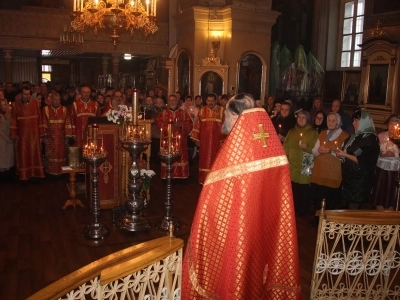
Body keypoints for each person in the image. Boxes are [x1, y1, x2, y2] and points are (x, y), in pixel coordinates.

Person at [181, 93, 301, 299]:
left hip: (238, 229)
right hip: (264, 226)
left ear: (236, 115)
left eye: (227, 113)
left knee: (239, 267)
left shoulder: (236, 152)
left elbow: (215, 201)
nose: (224, 118)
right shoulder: (272, 148)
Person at [309, 112, 349, 226]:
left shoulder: (344, 136)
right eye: (329, 120)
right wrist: (319, 150)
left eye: (333, 120)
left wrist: (330, 151)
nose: (330, 123)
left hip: (333, 173)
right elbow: (314, 151)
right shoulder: (322, 133)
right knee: (317, 198)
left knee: (330, 199)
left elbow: (343, 156)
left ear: (338, 122)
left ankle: (328, 223)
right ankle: (317, 220)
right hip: (319, 171)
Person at [335, 108, 380, 209]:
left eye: (356, 120)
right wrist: (341, 154)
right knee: (346, 207)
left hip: (359, 180)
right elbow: (349, 151)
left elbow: (364, 161)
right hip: (350, 178)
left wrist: (345, 155)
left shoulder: (370, 139)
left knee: (353, 209)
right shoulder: (356, 135)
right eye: (353, 120)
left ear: (364, 121)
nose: (353, 123)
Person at [283, 110, 318, 216]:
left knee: (303, 190)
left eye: (303, 117)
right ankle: (294, 209)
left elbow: (315, 149)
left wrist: (306, 148)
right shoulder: (292, 131)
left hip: (306, 164)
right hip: (292, 164)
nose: (301, 119)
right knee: (294, 189)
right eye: (299, 117)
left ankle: (302, 210)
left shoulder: (313, 132)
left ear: (307, 119)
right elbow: (286, 146)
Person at [10, 87, 45, 180]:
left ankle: (36, 174)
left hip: (34, 134)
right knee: (24, 154)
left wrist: (41, 134)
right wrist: (14, 134)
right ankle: (25, 175)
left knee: (35, 153)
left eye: (29, 94)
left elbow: (40, 119)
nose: (27, 96)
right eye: (25, 94)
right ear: (21, 95)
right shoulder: (15, 105)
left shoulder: (35, 103)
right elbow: (13, 120)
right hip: (22, 135)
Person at [156, 94, 193, 179]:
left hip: (180, 140)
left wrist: (181, 125)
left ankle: (181, 174)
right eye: (170, 100)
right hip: (167, 139)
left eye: (173, 100)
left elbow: (190, 124)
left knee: (180, 155)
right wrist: (167, 125)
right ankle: (167, 174)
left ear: (177, 101)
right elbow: (158, 123)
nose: (172, 102)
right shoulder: (164, 113)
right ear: (168, 102)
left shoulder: (183, 113)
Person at [191, 93, 225, 184]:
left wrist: (223, 141)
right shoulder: (202, 111)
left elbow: (225, 127)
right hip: (204, 141)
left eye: (212, 101)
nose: (210, 103)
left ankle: (216, 179)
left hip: (217, 141)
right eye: (208, 101)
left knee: (216, 160)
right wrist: (196, 140)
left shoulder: (222, 111)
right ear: (206, 101)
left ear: (216, 101)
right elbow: (197, 125)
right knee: (204, 160)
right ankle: (204, 179)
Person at [370, 115, 400, 210]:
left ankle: (391, 209)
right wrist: (381, 153)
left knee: (391, 191)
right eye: (391, 123)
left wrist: (394, 154)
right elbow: (375, 150)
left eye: (396, 123)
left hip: (395, 170)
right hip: (382, 170)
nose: (392, 126)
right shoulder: (381, 136)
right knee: (381, 189)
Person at [41, 93, 72, 176]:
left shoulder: (65, 109)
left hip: (61, 137)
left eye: (58, 100)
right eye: (55, 99)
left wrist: (67, 138)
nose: (57, 101)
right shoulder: (45, 109)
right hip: (50, 137)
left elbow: (68, 123)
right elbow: (43, 123)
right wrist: (44, 137)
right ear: (51, 100)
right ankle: (51, 172)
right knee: (50, 154)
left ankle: (61, 172)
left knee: (61, 154)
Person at [0, 97, 14, 180]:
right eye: (3, 105)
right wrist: (7, 138)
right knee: (2, 158)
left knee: (8, 158)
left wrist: (11, 136)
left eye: (5, 104)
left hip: (9, 138)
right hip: (2, 139)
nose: (5, 106)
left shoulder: (9, 115)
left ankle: (8, 172)